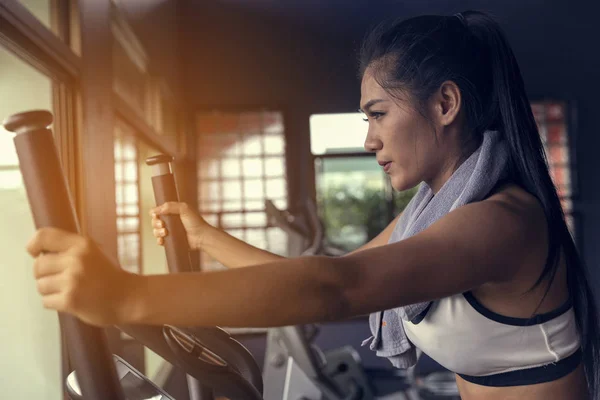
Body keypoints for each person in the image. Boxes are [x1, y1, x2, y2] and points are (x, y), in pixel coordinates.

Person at [25, 10, 598, 400]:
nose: (369, 138)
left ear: (445, 103)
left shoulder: (500, 223)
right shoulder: (436, 210)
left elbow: (335, 287)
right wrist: (203, 238)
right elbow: (320, 281)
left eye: (378, 114)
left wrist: (124, 295)